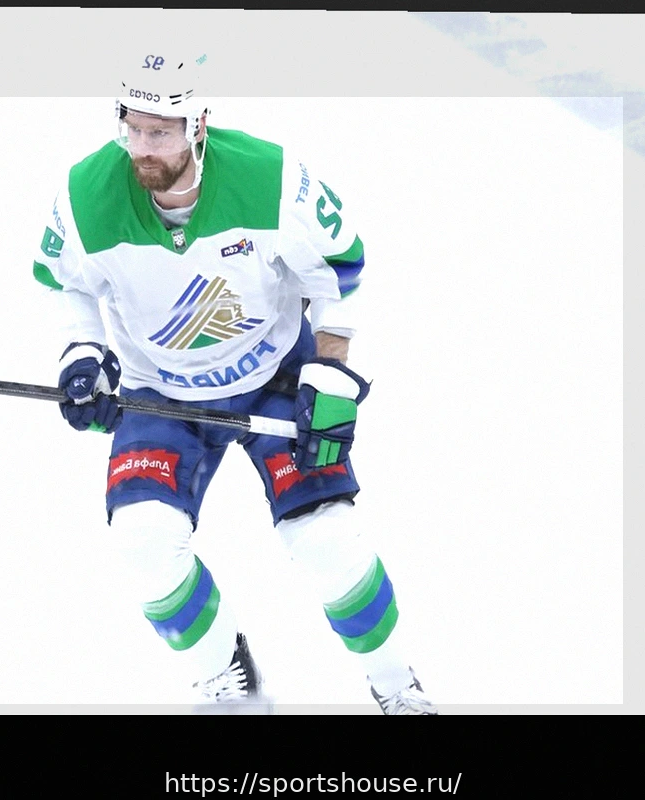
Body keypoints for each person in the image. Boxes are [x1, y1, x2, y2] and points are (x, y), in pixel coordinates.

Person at [30, 51, 438, 715]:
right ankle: (227, 679)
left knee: (326, 541)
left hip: (274, 378)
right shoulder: (85, 194)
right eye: (132, 128)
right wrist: (84, 354)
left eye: (159, 131)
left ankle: (396, 686)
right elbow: (59, 281)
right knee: (142, 543)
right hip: (158, 394)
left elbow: (341, 268)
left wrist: (332, 373)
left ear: (198, 125)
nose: (142, 147)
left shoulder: (269, 179)